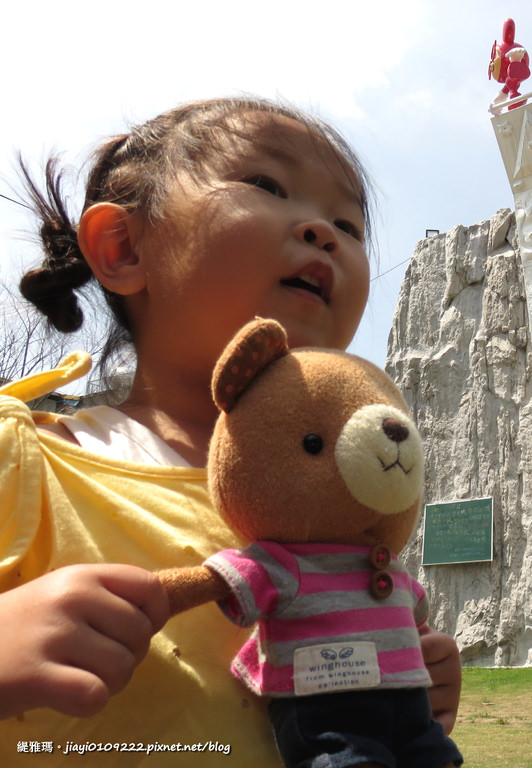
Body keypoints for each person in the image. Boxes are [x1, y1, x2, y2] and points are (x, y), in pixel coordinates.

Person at [0, 96, 461, 765]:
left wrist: (400, 679)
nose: (324, 233)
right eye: (267, 186)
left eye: (348, 224)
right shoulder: (23, 460)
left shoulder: (344, 504)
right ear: (124, 248)